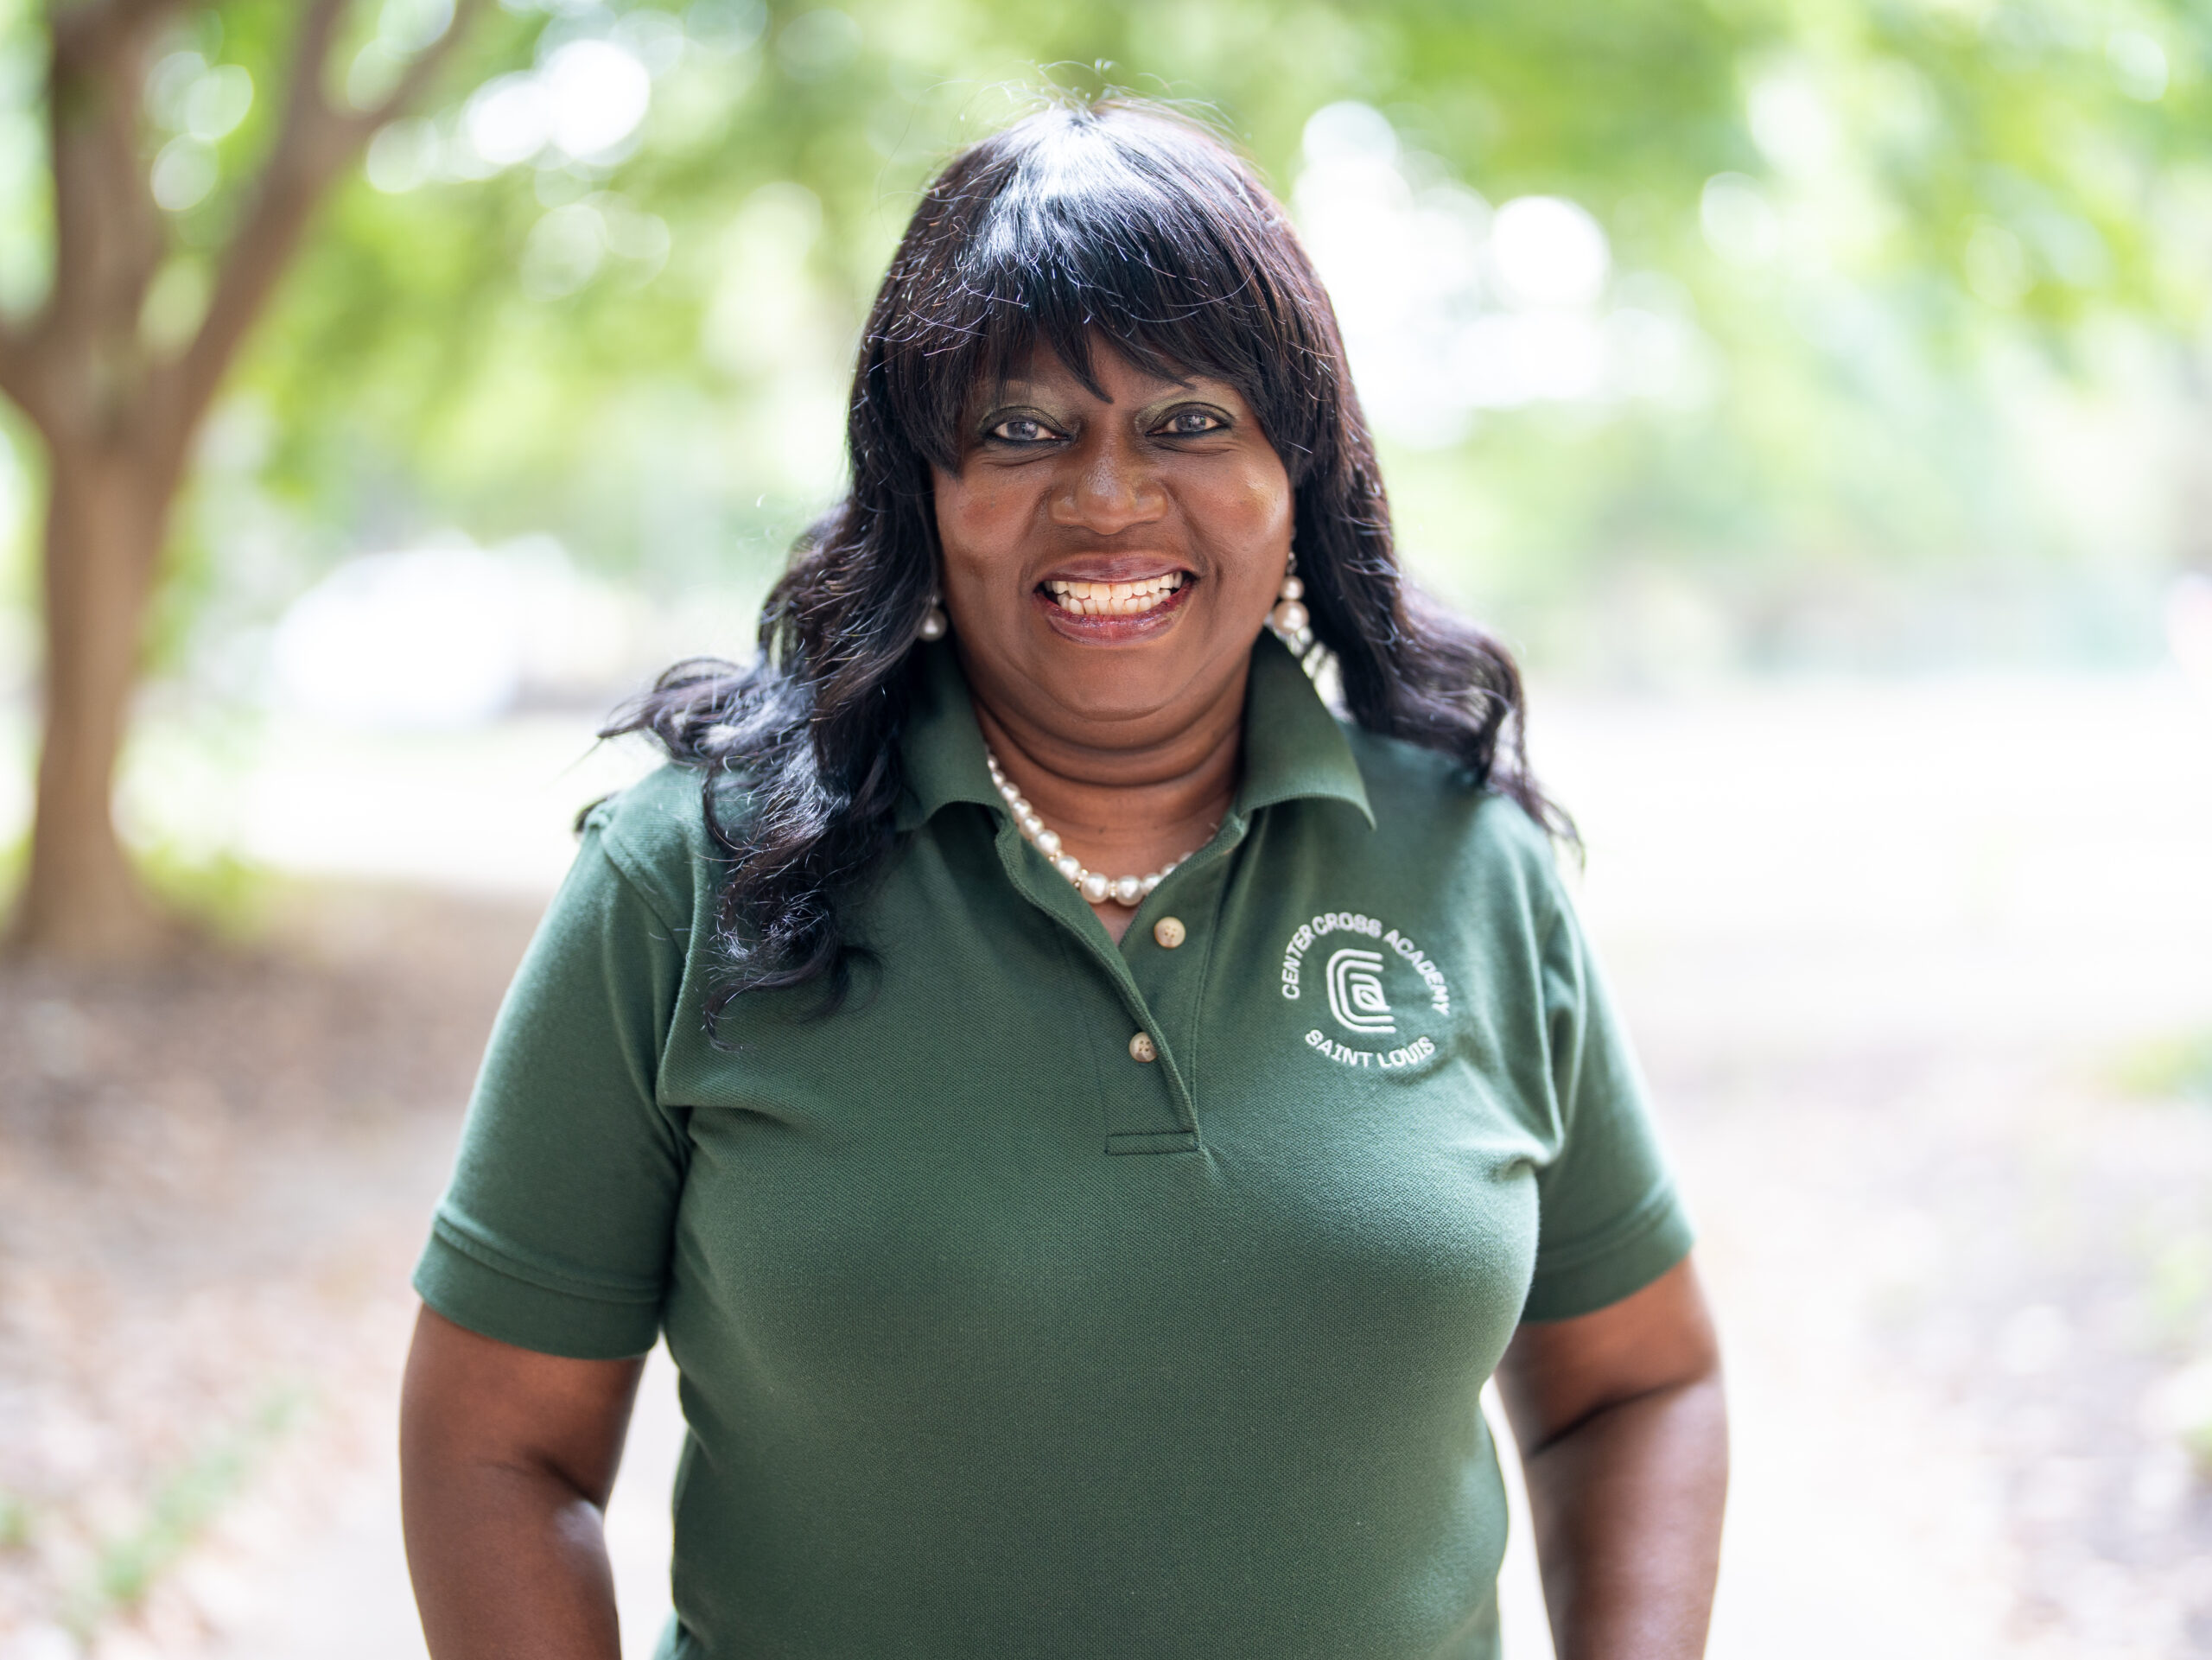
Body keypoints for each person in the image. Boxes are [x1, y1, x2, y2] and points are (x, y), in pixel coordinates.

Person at [399, 98, 1726, 1660]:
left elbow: (1639, 1383)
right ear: (923, 491)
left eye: (1190, 422)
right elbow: (496, 1443)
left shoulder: (1464, 863)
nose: (1107, 497)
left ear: (1297, 478)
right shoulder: (694, 877)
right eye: (1023, 429)